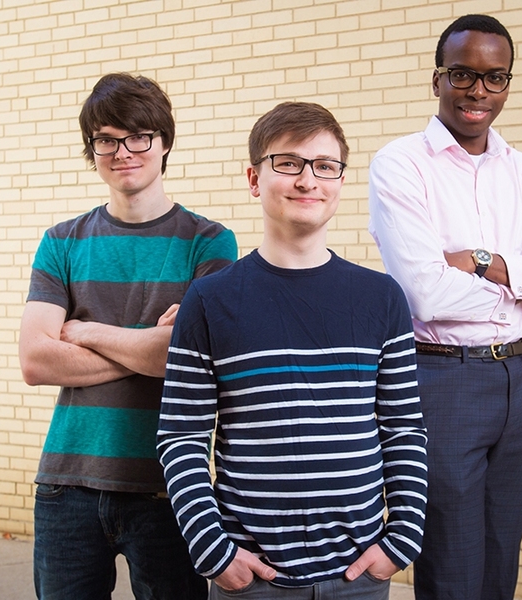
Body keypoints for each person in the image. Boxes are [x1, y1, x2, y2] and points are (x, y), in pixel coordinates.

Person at [367, 14, 522, 600]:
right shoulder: (402, 164)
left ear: (507, 84)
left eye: (495, 78)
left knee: (500, 561)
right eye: (464, 74)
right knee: (452, 565)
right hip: (442, 379)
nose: (478, 91)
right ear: (438, 78)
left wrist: (481, 260)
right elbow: (425, 292)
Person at [157, 101, 428, 599]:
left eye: (325, 166)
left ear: (340, 182)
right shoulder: (211, 300)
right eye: (289, 163)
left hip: (359, 575)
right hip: (254, 576)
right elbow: (181, 435)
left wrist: (402, 540)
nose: (308, 180)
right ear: (255, 178)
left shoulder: (381, 297)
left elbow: (402, 427)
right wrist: (212, 551)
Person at [18, 72, 238, 600]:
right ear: (91, 148)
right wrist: (149, 347)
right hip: (66, 482)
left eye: (138, 136)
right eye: (106, 139)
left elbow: (187, 359)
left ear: (164, 143)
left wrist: (86, 331)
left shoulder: (209, 243)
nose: (122, 151)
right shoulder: (62, 241)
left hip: (167, 487)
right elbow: (36, 361)